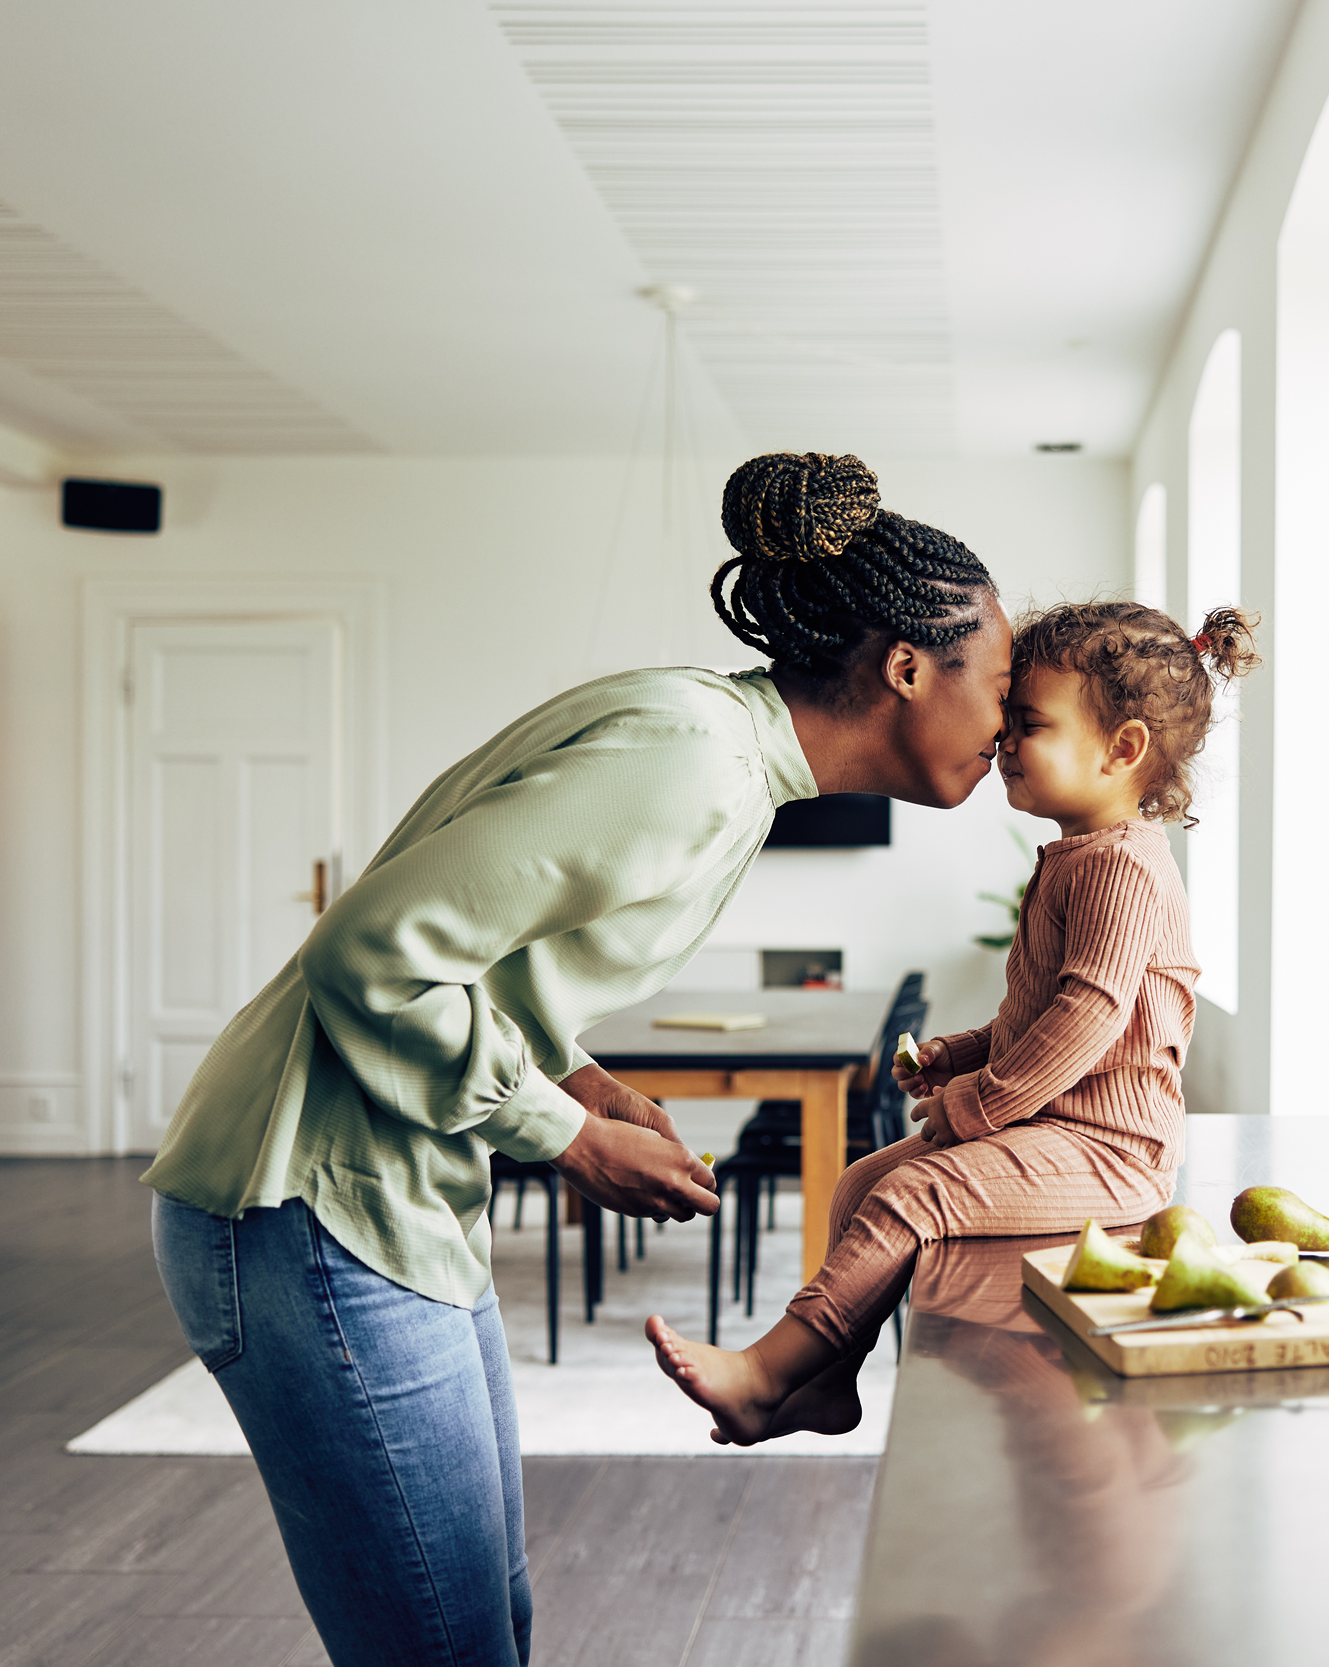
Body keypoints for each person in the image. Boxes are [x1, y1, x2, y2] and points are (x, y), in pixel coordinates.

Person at [141, 451, 1009, 1667]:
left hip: (377, 1202)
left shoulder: (719, 753)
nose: (1012, 725)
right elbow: (372, 953)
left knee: (486, 1622)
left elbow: (480, 959)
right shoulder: (692, 760)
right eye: (1005, 685)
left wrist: (583, 1079)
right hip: (309, 1204)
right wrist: (565, 1136)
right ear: (908, 669)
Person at [646, 598, 1261, 1445]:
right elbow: (1040, 1014)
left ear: (1123, 750)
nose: (1004, 740)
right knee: (862, 1182)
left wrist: (981, 1100)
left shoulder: (1123, 869)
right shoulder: (1080, 858)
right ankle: (828, 1381)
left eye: (1030, 724)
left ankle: (765, 1373)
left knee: (910, 1195)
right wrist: (959, 1052)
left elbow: (1088, 1017)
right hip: (1056, 1126)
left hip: (1113, 1150)